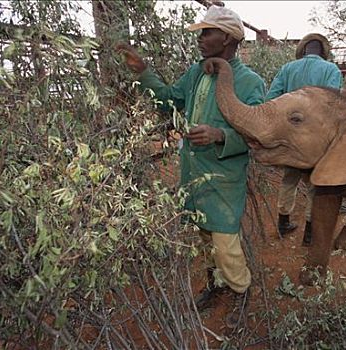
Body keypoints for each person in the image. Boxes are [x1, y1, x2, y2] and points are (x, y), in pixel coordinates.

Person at [117, 5, 265, 328]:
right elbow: (169, 100)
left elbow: (256, 134)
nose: (199, 38)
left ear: (226, 38)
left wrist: (218, 135)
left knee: (226, 246)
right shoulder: (197, 73)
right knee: (202, 240)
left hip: (223, 182)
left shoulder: (249, 82)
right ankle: (215, 286)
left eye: (206, 32)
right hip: (194, 178)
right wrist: (143, 72)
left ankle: (241, 292)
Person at [266, 33, 343, 247]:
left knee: (288, 180)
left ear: (304, 50)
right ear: (322, 51)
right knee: (314, 185)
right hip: (315, 140)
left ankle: (283, 223)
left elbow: (271, 98)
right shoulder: (331, 70)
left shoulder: (287, 69)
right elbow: (333, 104)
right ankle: (309, 234)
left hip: (290, 138)